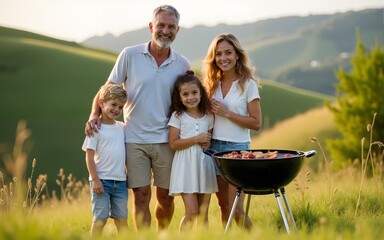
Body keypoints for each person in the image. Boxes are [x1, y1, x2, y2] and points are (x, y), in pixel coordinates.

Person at [84, 5, 191, 230]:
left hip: (167, 140)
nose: (165, 31)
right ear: (151, 26)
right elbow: (107, 88)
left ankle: (161, 234)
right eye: (161, 25)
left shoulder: (183, 64)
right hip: (133, 139)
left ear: (177, 30)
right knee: (141, 196)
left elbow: (189, 100)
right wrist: (94, 114)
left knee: (166, 198)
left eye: (171, 27)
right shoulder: (129, 55)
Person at [202, 33, 262, 230]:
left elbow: (256, 123)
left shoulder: (248, 85)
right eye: (218, 54)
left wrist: (227, 113)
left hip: (238, 151)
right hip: (214, 149)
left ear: (237, 55)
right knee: (224, 207)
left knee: (237, 211)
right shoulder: (211, 85)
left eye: (228, 52)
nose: (223, 58)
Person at [168, 71, 218, 231]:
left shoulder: (209, 116)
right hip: (185, 167)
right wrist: (196, 139)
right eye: (185, 94)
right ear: (180, 97)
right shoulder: (178, 116)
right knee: (192, 212)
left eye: (194, 92)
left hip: (204, 165)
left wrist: (206, 142)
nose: (191, 97)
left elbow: (209, 139)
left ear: (201, 93)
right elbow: (173, 143)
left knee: (203, 214)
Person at [82, 84, 128, 236]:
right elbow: (89, 156)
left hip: (120, 182)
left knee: (122, 220)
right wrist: (95, 180)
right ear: (101, 103)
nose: (117, 109)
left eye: (120, 107)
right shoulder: (96, 129)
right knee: (100, 220)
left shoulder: (122, 128)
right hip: (102, 182)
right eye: (113, 104)